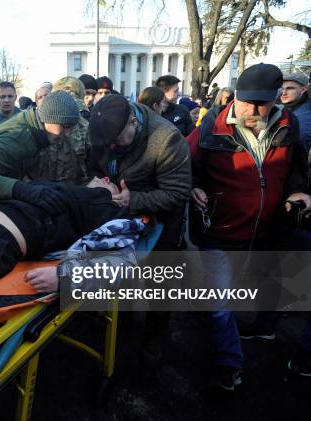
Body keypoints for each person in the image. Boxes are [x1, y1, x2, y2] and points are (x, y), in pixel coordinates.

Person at [187, 63, 310, 391]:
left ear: (276, 101)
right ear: (236, 96)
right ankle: (229, 362)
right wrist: (192, 186)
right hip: (220, 232)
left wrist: (300, 191)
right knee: (220, 304)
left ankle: (263, 328)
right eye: (245, 103)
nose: (251, 111)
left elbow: (297, 170)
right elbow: (183, 163)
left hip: (269, 231)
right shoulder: (212, 124)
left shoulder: (290, 123)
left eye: (261, 104)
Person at [89, 94, 191, 366]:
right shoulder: (106, 130)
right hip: (122, 217)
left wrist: (133, 200)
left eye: (116, 141)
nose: (110, 146)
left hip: (162, 221)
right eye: (106, 142)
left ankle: (154, 340)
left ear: (134, 122)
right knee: (123, 276)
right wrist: (96, 182)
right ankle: (120, 327)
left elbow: (177, 193)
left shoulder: (167, 140)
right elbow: (96, 163)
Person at [0, 91, 88, 213]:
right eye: (64, 127)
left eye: (71, 128)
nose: (68, 133)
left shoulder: (36, 127)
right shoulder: (16, 136)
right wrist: (21, 189)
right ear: (48, 118)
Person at [281, 72, 311, 149]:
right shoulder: (292, 106)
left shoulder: (303, 118)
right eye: (282, 88)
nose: (284, 93)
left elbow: (299, 151)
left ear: (303, 89)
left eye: (290, 88)